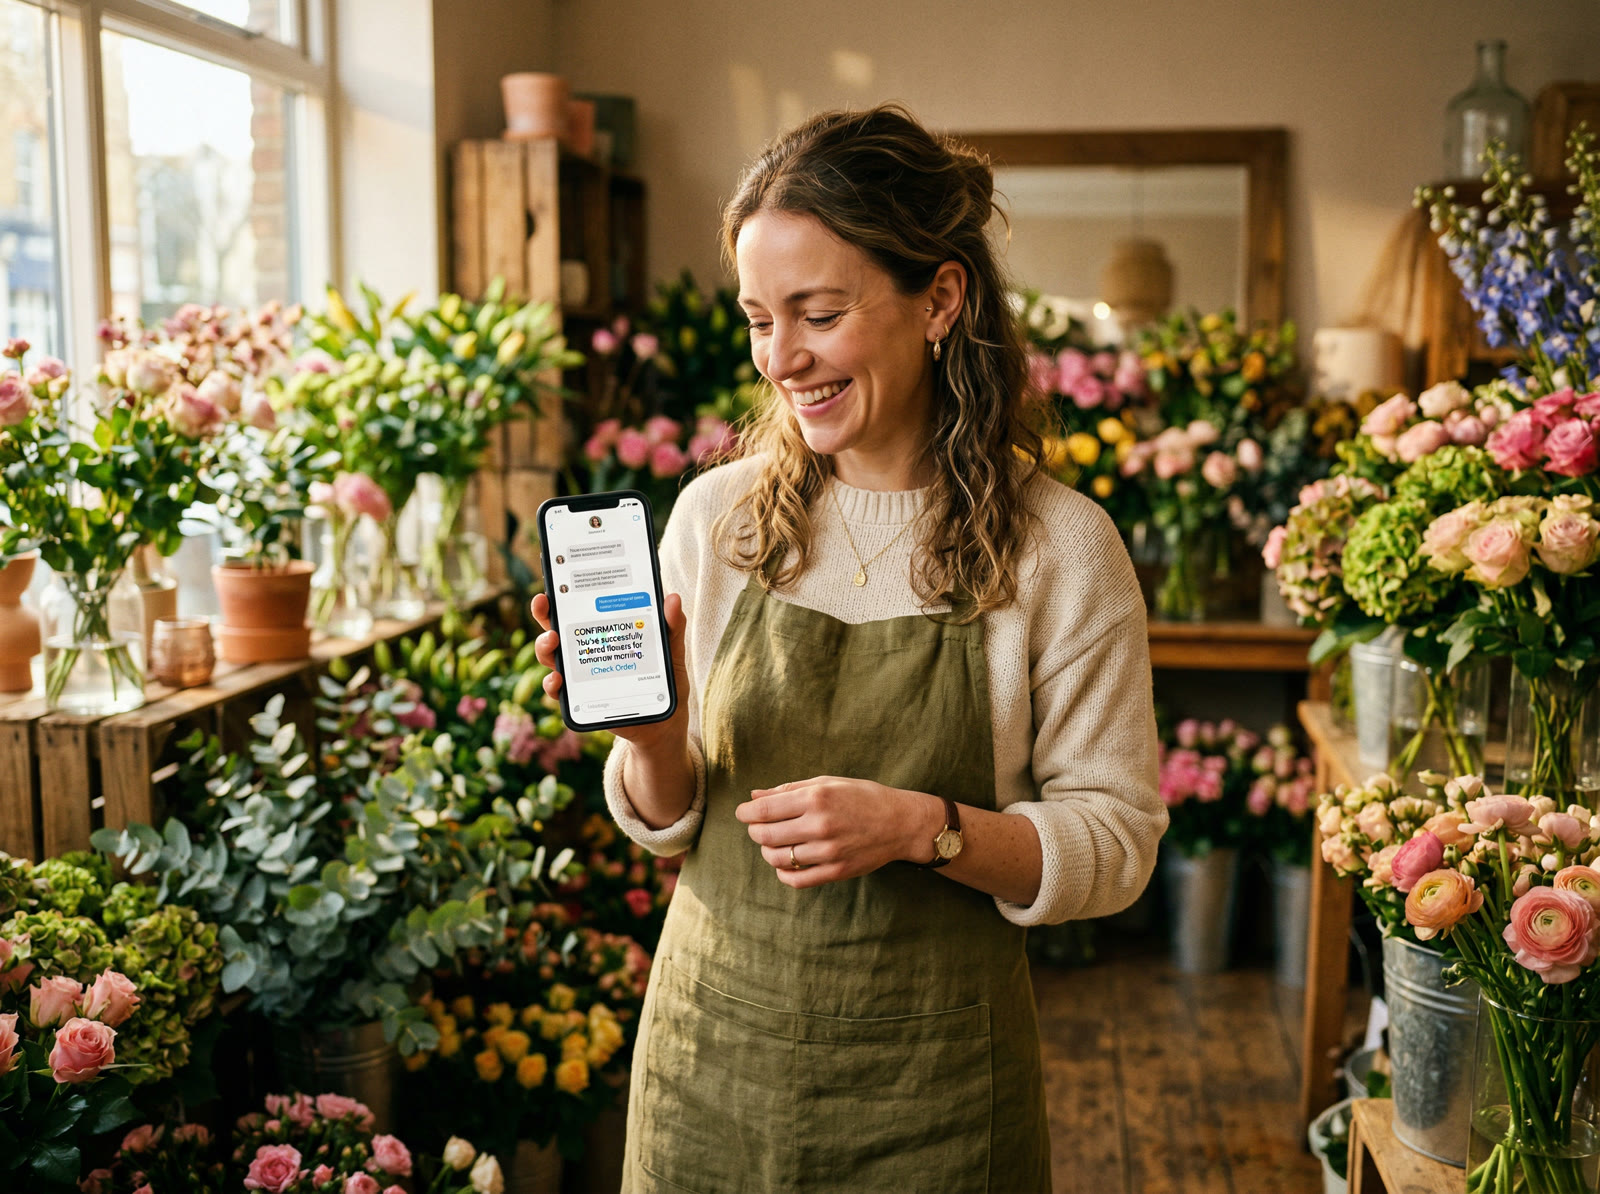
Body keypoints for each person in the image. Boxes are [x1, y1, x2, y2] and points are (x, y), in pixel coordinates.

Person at [532, 104, 1164, 1193]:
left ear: (941, 298)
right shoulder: (715, 521)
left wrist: (928, 830)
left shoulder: (1062, 547)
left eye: (817, 313)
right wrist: (652, 737)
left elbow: (1117, 842)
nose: (782, 358)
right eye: (756, 319)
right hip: (712, 1066)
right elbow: (669, 818)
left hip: (942, 1096)